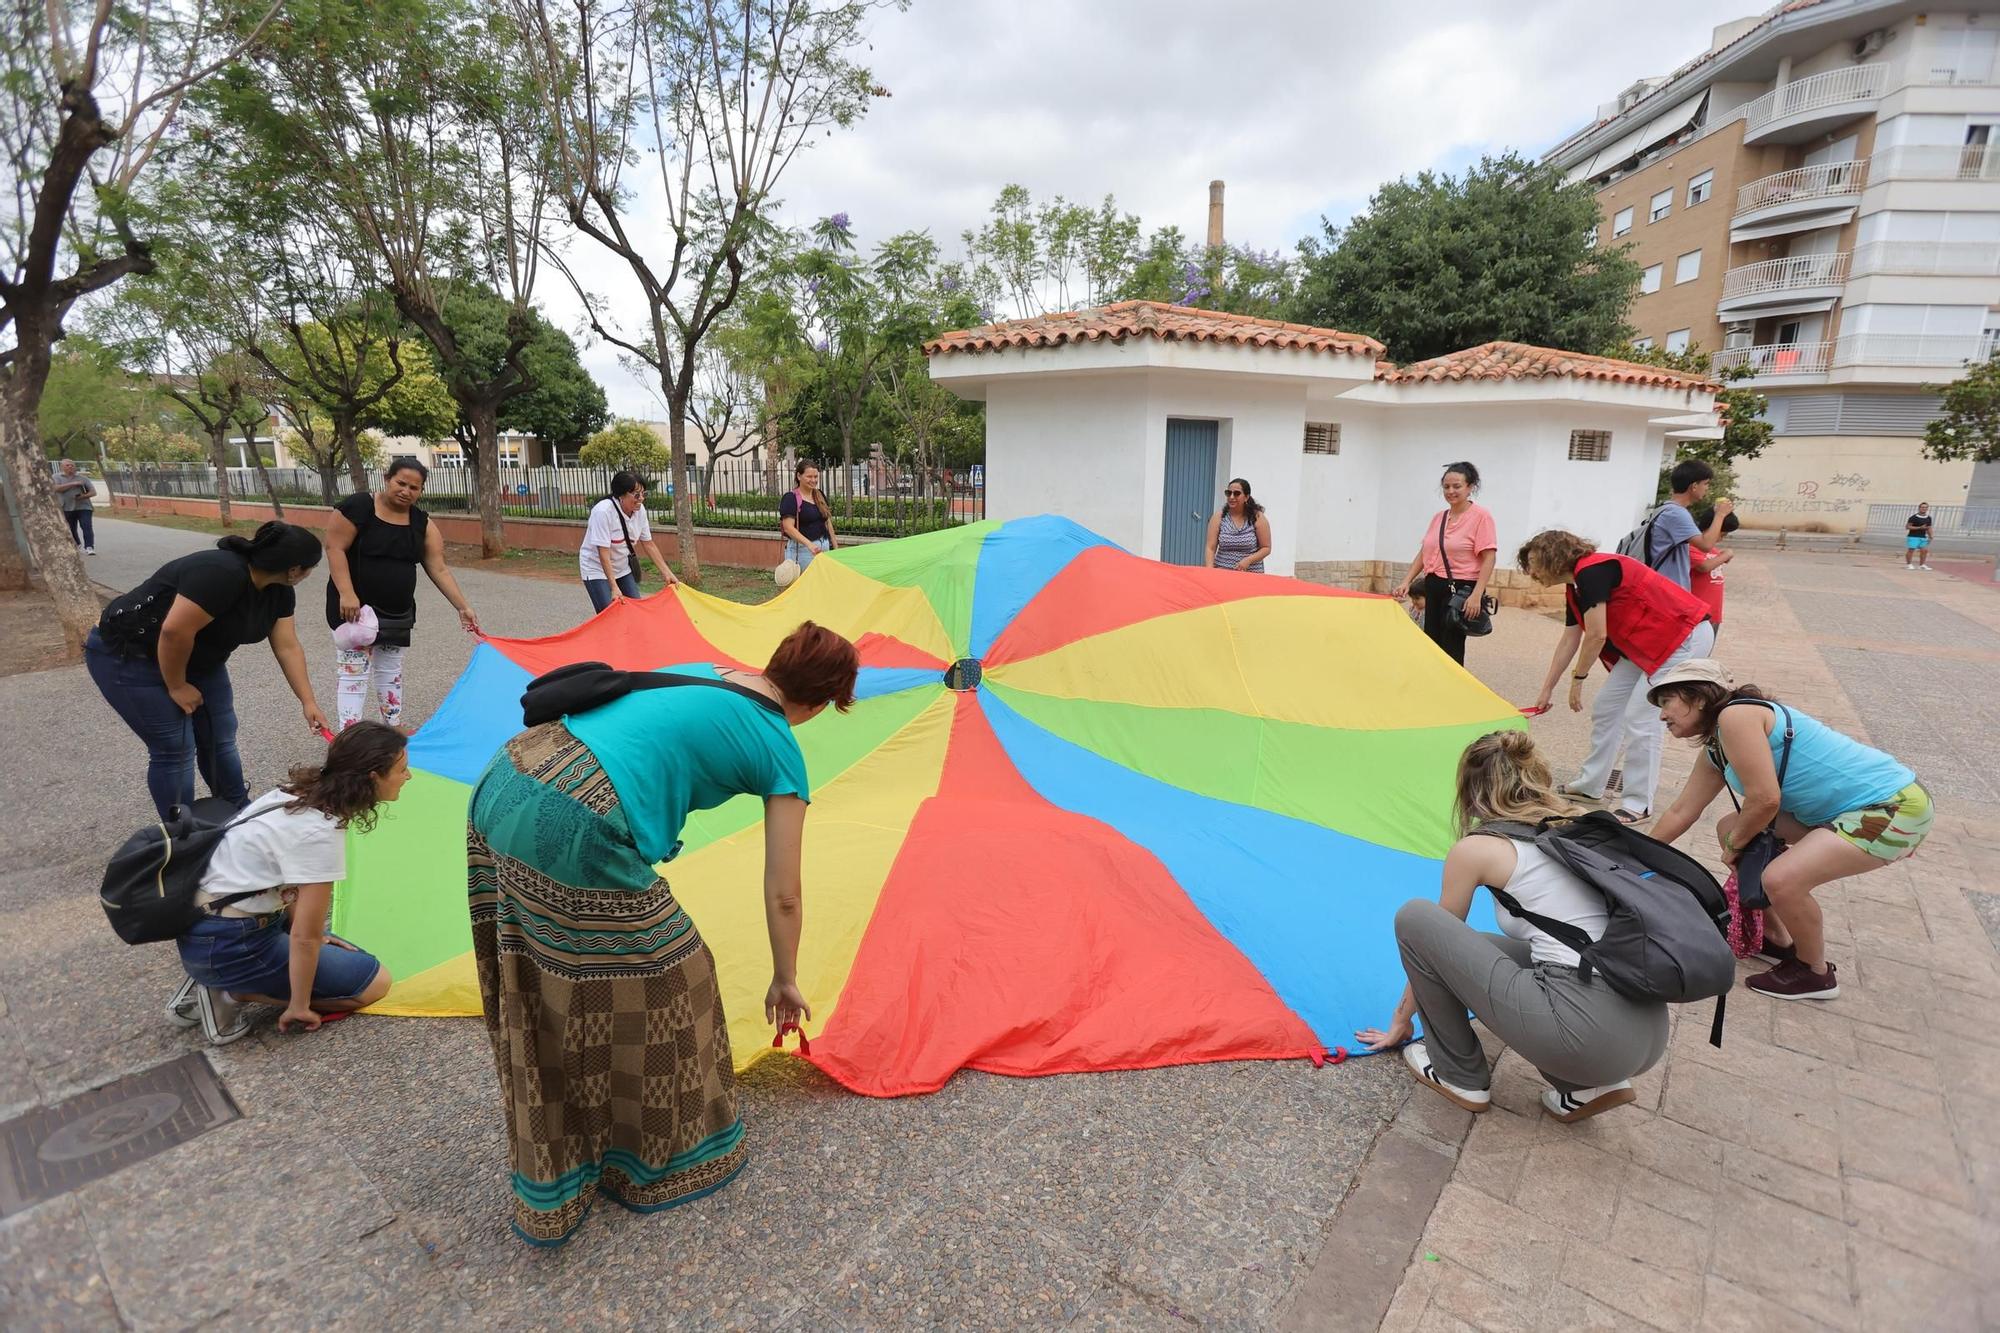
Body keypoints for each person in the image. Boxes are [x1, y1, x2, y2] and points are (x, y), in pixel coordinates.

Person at [467, 621, 860, 1247]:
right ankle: (651, 1154)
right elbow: (785, 890)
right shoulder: (780, 745)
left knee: (546, 960)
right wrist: (785, 978)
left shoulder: (713, 672)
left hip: (510, 774)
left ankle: (572, 1128)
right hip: (575, 817)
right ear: (819, 703)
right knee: (676, 978)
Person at [1358, 731, 1668, 1123]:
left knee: (1417, 917)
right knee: (1484, 945)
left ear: (1472, 792)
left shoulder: (1479, 849)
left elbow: (1428, 938)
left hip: (1586, 1033)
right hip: (1647, 1030)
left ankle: (1458, 1075)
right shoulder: (1575, 827)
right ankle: (1586, 1086)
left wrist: (1401, 1023)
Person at [1649, 661, 1931, 1001]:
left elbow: (1766, 799)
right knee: (1729, 827)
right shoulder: (1717, 747)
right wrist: (1631, 852)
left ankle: (1814, 973)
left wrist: (1734, 847)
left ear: (1698, 697)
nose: (1662, 714)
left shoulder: (1736, 717)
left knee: (1781, 878)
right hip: (1847, 810)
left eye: (1667, 701)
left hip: (1892, 808)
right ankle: (1776, 938)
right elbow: (1682, 811)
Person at [171, 722, 407, 1042]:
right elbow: (304, 939)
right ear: (373, 778)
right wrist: (300, 1005)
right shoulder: (320, 833)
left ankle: (218, 974)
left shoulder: (294, 792)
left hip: (203, 924)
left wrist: (315, 934)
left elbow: (295, 901)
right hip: (231, 941)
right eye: (402, 769)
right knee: (375, 983)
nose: (408, 777)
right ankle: (230, 992)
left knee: (353, 958)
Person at [87, 522, 331, 819]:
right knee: (175, 748)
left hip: (200, 660)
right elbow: (174, 633)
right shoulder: (221, 574)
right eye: (310, 569)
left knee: (220, 737)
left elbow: (287, 646)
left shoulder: (278, 591)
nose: (308, 575)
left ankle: (237, 813)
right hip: (130, 656)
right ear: (294, 569)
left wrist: (308, 701)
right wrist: (177, 686)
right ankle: (181, 834)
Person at [1518, 529, 1715, 825]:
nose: (1531, 571)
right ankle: (1591, 785)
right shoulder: (1575, 588)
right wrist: (1547, 689)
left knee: (1642, 716)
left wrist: (1578, 680)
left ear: (1553, 557)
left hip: (1682, 635)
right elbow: (1570, 639)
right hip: (1648, 644)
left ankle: (1638, 804)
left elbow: (1597, 635)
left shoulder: (1593, 572)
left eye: (1534, 562)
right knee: (1607, 707)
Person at [324, 457, 481, 731]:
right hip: (356, 609)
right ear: (387, 478)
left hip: (397, 610)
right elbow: (334, 547)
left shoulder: (422, 523)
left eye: (414, 487)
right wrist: (346, 594)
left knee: (390, 670)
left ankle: (393, 726)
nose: (406, 491)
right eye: (401, 483)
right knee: (354, 671)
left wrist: (462, 606)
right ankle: (349, 733)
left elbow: (438, 567)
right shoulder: (359, 507)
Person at [1395, 462, 1497, 665]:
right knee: (1431, 641)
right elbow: (1426, 552)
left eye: (1457, 486)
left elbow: (1489, 557)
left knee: (1451, 645)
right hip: (1434, 585)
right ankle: (1432, 688)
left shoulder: (1481, 517)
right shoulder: (1439, 518)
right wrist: (1406, 581)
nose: (1451, 491)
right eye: (1446, 486)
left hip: (1459, 590)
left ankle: (1452, 692)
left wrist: (1477, 595)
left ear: (1470, 487)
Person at [579, 471, 677, 613]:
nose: (641, 499)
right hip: (597, 569)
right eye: (636, 495)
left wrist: (667, 573)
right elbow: (603, 553)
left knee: (635, 611)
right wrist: (614, 587)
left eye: (644, 494)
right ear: (621, 495)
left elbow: (649, 544)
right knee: (609, 615)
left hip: (622, 568)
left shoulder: (640, 511)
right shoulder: (603, 512)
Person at [1642, 460, 1732, 590]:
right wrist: (1720, 515)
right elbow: (1706, 545)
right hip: (1667, 590)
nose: (1707, 488)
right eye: (1706, 483)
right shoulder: (1676, 513)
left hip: (1665, 588)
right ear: (1694, 486)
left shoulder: (1666, 509)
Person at [1687, 506, 1739, 635]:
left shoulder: (1713, 551)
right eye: (1722, 534)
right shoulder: (1691, 547)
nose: (1721, 538)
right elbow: (1704, 566)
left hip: (1713, 614)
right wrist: (1725, 555)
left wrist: (1721, 557)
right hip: (1696, 614)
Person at [778, 461, 838, 573]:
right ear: (799, 476)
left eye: (816, 476)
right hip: (803, 551)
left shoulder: (819, 495)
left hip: (823, 547)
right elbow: (788, 528)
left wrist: (835, 546)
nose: (814, 480)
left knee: (821, 586)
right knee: (804, 587)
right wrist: (809, 545)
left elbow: (827, 521)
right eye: (809, 476)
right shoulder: (790, 498)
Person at [1204, 477, 1271, 574]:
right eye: (1228, 493)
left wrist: (1248, 560)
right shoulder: (1218, 517)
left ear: (1246, 497)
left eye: (1236, 493)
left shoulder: (1258, 518)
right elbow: (1210, 547)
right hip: (1222, 574)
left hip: (1251, 575)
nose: (1231, 497)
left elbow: (1266, 548)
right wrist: (1209, 570)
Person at [52, 460, 96, 554]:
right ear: (62, 467)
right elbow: (56, 488)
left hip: (84, 506)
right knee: (71, 528)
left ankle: (89, 547)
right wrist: (73, 484)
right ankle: (77, 544)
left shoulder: (83, 478)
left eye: (72, 465)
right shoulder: (57, 477)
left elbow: (93, 492)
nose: (70, 467)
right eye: (67, 465)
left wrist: (83, 496)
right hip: (66, 507)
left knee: (86, 526)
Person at [1905, 502, 1934, 570]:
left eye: (1926, 507)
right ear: (1919, 508)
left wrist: (1931, 536)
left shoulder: (1929, 518)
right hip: (1913, 536)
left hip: (1923, 537)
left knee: (1924, 550)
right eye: (1922, 507)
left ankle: (1922, 565)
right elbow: (1907, 527)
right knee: (1911, 550)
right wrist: (1919, 528)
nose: (1924, 509)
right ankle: (1909, 564)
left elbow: (1929, 527)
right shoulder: (1913, 517)